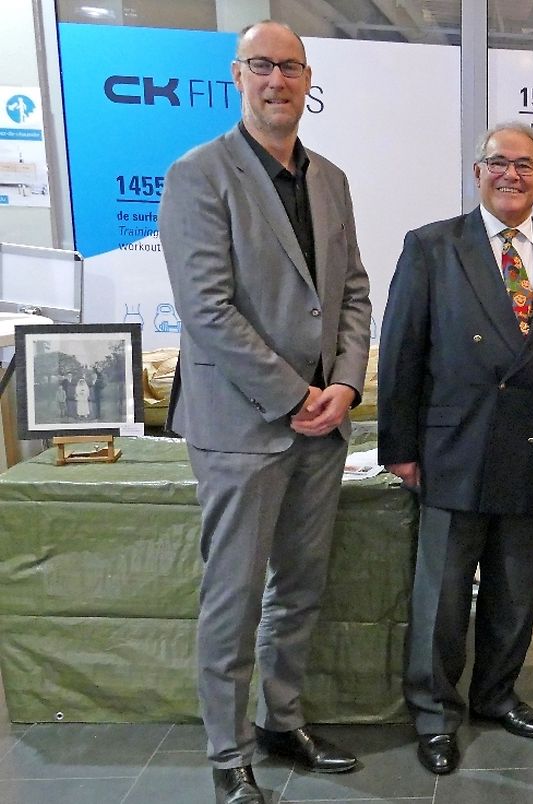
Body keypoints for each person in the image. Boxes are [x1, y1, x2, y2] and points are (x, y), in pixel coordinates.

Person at [160, 20, 371, 804]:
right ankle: (229, 752)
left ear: (308, 79)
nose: (277, 80)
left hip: (323, 424)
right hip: (242, 428)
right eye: (262, 66)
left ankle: (281, 722)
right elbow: (207, 309)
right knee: (235, 596)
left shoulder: (331, 179)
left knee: (300, 589)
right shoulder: (198, 175)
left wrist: (344, 385)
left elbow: (353, 290)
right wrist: (294, 394)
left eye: (290, 67)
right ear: (237, 76)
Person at [377, 121, 533, 776]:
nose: (511, 175)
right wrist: (400, 447)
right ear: (477, 173)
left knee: (515, 590)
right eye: (499, 162)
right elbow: (400, 351)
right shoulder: (432, 246)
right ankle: (434, 713)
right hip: (453, 449)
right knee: (442, 598)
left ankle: (496, 694)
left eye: (525, 165)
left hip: (532, 450)